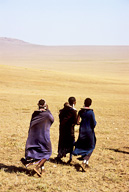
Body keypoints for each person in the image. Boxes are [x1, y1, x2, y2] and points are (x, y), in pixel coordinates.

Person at [21, 99, 54, 177]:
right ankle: (37, 167)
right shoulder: (47, 115)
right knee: (48, 152)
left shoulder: (35, 113)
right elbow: (52, 120)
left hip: (35, 136)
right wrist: (48, 110)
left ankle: (42, 169)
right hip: (44, 136)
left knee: (40, 152)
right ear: (46, 105)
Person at [73, 98, 97, 171]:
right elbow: (94, 123)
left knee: (82, 145)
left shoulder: (81, 111)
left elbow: (77, 122)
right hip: (89, 131)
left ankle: (85, 160)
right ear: (90, 104)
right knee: (91, 146)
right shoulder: (91, 112)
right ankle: (84, 161)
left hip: (82, 131)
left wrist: (82, 124)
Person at [55, 97, 77, 163]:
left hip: (62, 129)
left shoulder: (62, 110)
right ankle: (70, 158)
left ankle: (60, 155)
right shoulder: (73, 111)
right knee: (70, 143)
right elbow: (75, 121)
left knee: (62, 142)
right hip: (69, 130)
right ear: (74, 102)